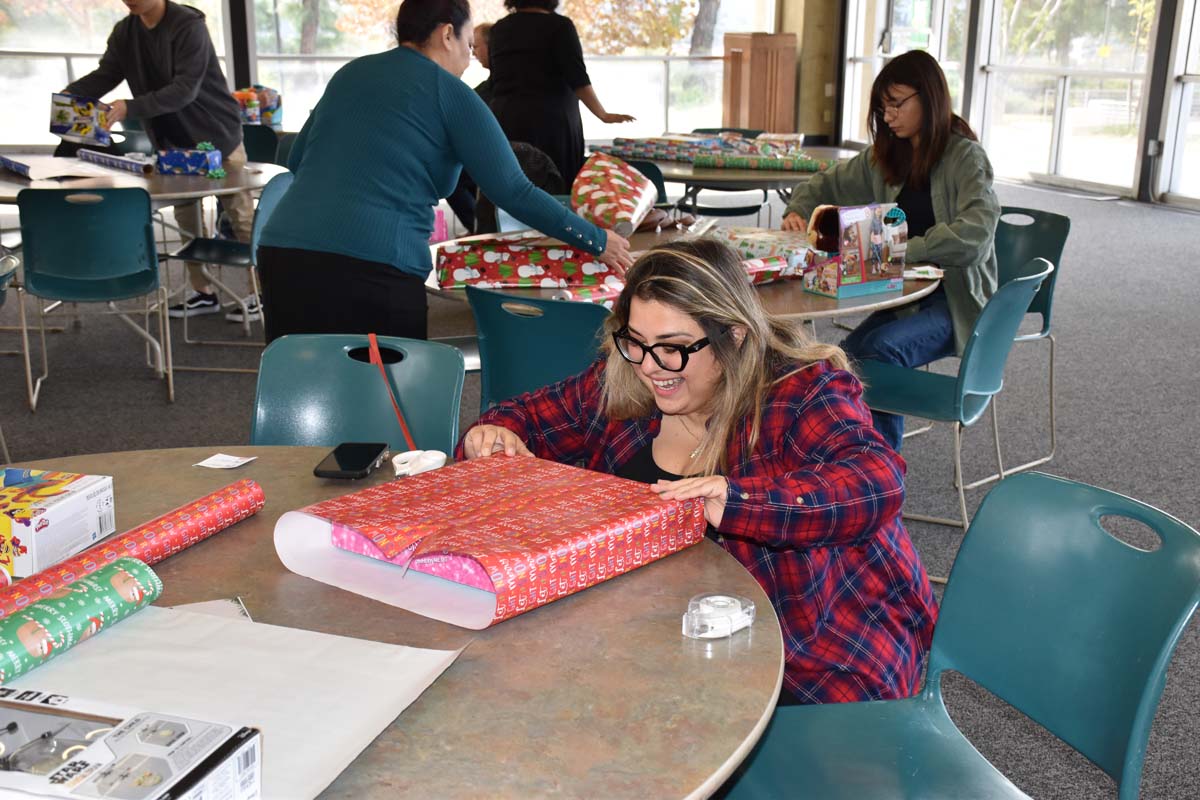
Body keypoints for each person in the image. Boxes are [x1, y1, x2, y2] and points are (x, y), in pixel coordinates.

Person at [458, 239, 938, 704]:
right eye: (635, 341)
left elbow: (877, 480)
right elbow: (525, 416)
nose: (651, 367)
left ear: (733, 334)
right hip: (659, 633)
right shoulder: (623, 377)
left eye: (674, 347)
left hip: (808, 650)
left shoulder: (802, 393)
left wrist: (743, 502)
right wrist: (495, 432)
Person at [256, 0, 632, 343]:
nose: (469, 60)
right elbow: (514, 190)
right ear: (446, 33)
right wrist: (597, 239)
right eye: (469, 45)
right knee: (385, 399)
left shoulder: (350, 73)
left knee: (300, 393)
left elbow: (296, 159)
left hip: (285, 253)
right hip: (374, 267)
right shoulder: (450, 92)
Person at [782, 50, 1000, 450]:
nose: (888, 116)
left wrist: (901, 249)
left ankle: (880, 477)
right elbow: (823, 184)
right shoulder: (887, 156)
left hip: (954, 303)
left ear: (929, 98)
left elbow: (975, 235)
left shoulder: (966, 157)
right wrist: (798, 207)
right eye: (883, 107)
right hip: (903, 297)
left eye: (897, 104)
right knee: (841, 357)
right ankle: (851, 460)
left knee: (877, 354)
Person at [64, 0, 255, 323]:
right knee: (186, 214)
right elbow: (107, 74)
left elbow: (184, 90)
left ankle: (261, 293)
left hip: (216, 134)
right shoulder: (126, 31)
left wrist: (128, 107)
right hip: (172, 141)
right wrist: (70, 95)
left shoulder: (188, 25)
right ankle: (202, 291)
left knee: (239, 213)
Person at [488, 0, 634, 184]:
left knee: (514, 190)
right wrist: (602, 114)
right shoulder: (560, 27)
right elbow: (578, 78)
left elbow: (495, 81)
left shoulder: (499, 29)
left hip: (507, 122)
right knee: (555, 190)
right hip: (552, 125)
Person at [444, 20, 496, 233]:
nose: (473, 53)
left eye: (476, 46)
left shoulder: (495, 90)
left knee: (453, 181)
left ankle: (479, 229)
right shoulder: (483, 89)